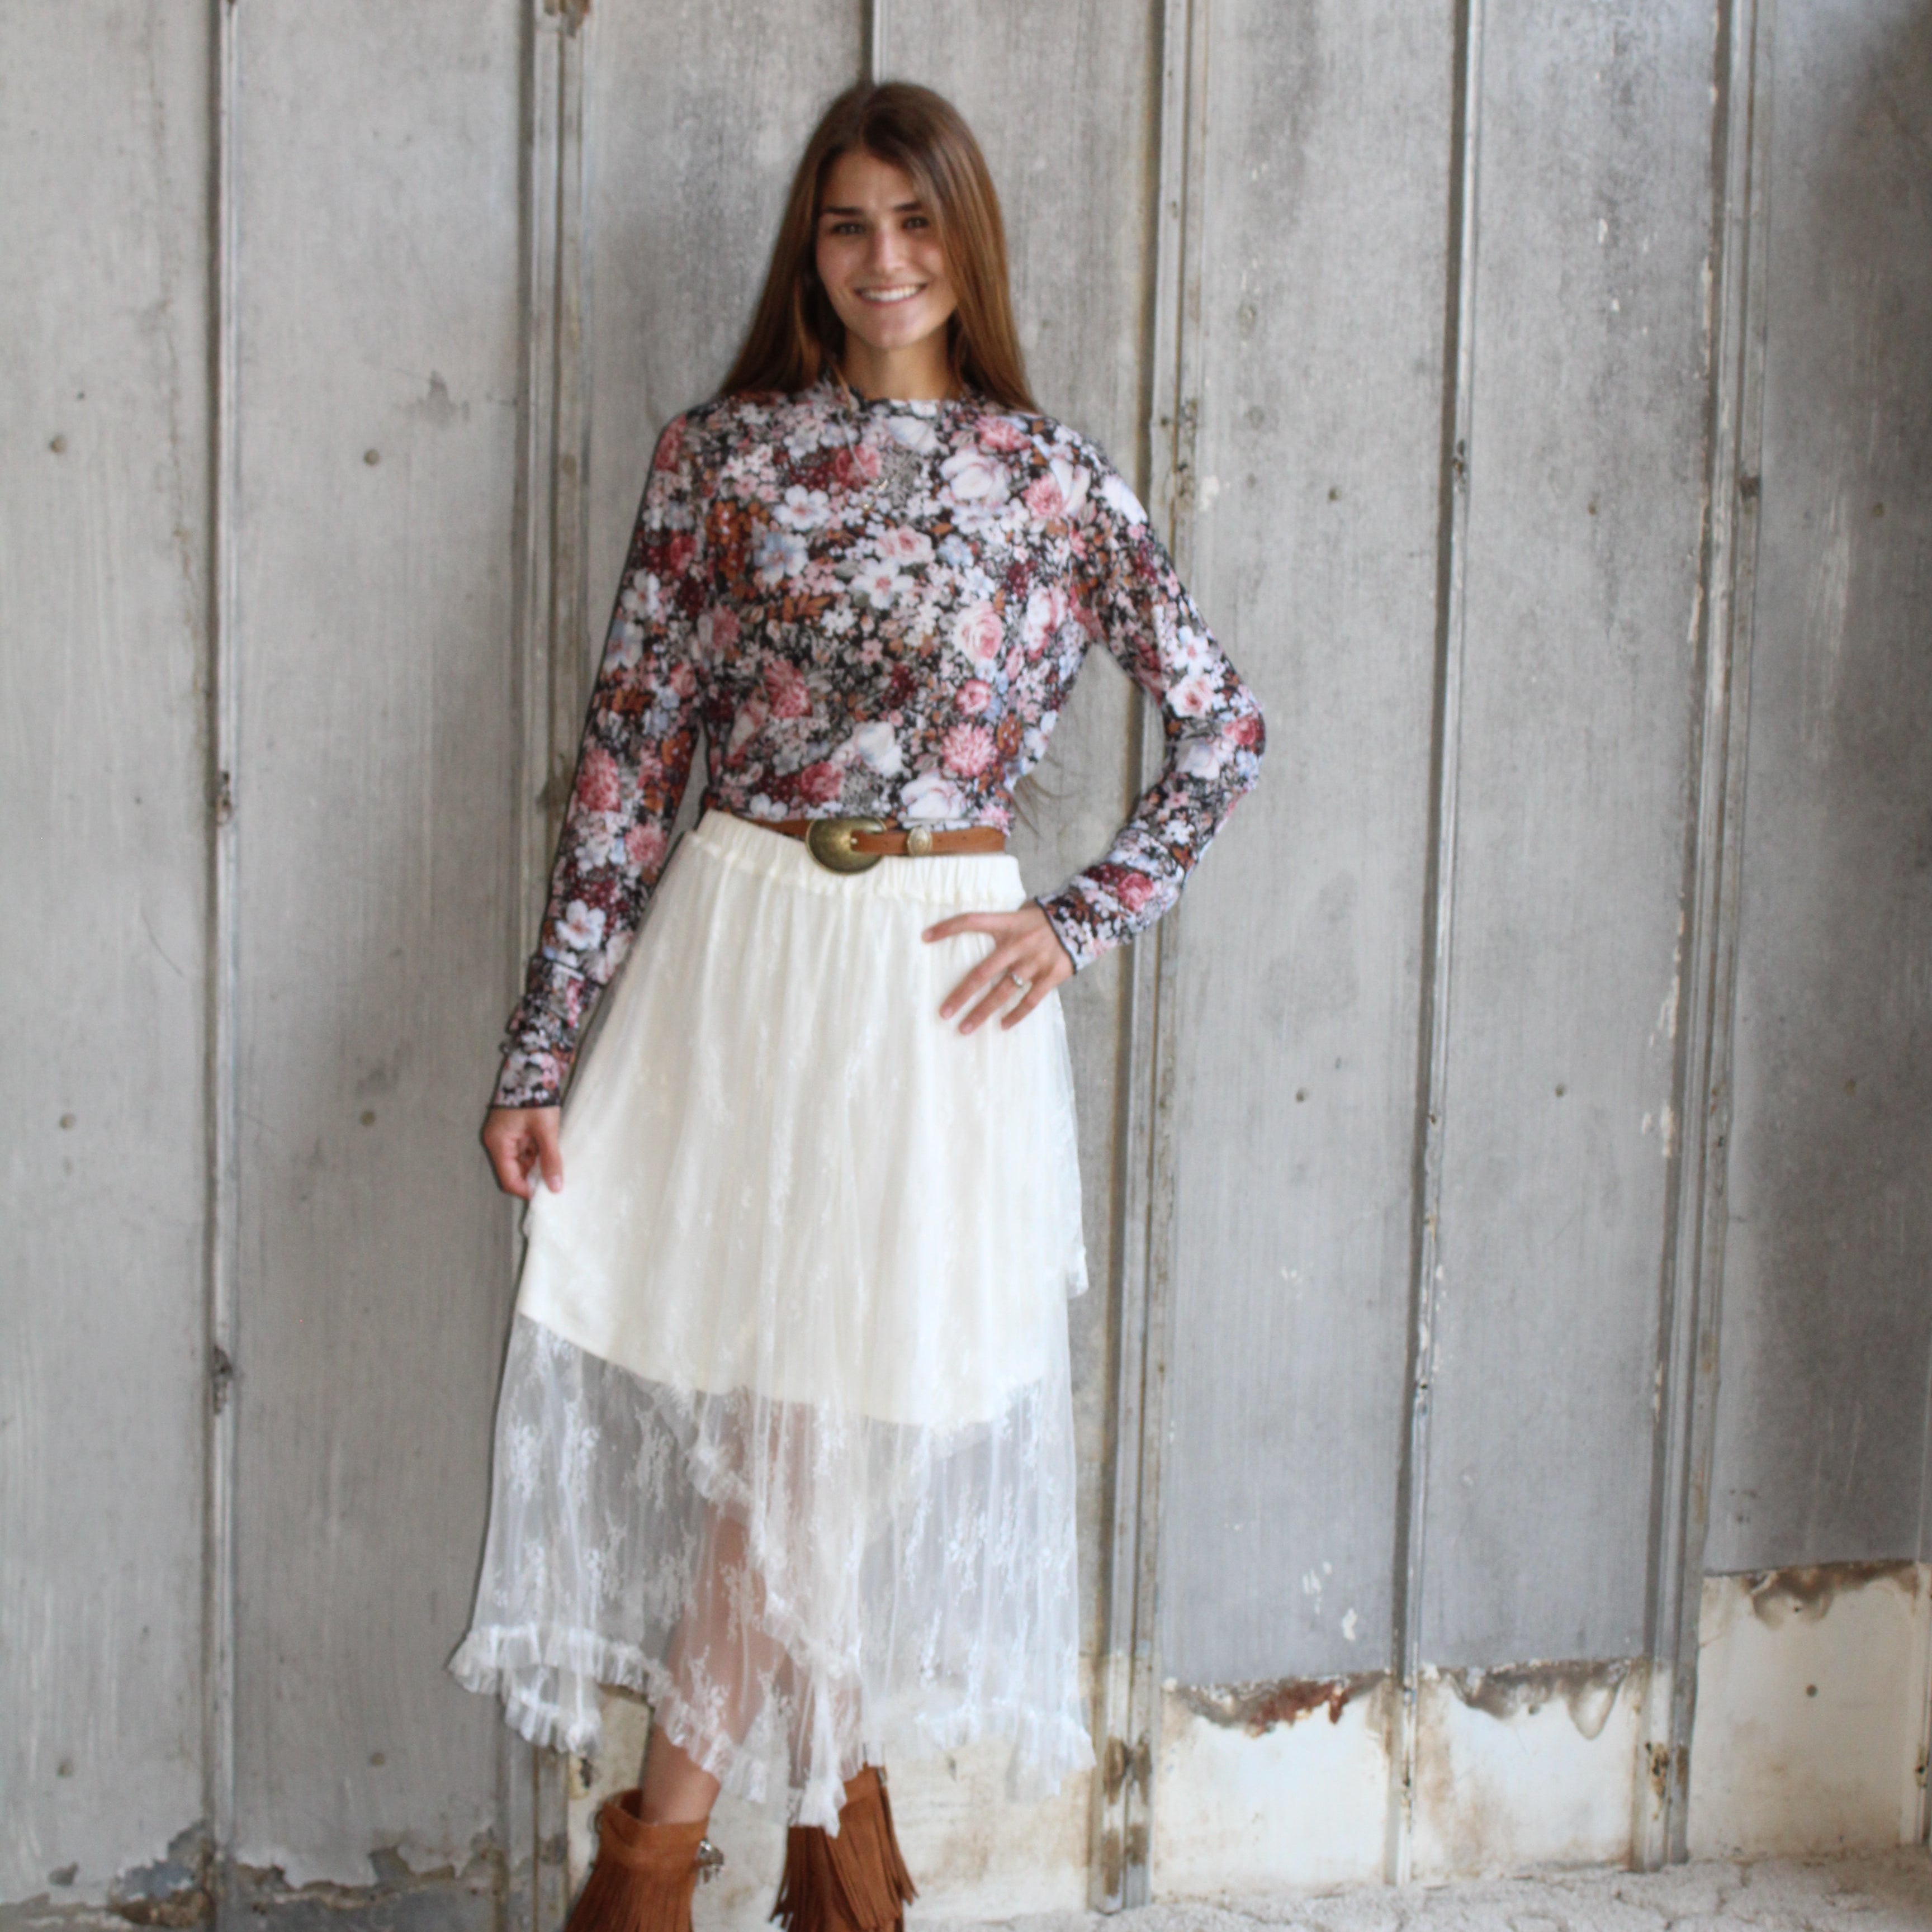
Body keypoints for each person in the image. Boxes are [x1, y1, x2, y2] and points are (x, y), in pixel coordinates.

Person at [449, 79, 1263, 1932]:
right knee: (788, 1430)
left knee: (817, 1434)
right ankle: (841, 1852)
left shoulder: (1051, 481)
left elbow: (1223, 730)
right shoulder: (722, 459)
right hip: (737, 956)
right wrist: (542, 1048)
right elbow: (624, 766)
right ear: (808, 252)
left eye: (915, 219)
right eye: (848, 224)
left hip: (935, 987)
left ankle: (647, 1872)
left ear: (968, 239)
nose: (884, 258)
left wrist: (1081, 918)